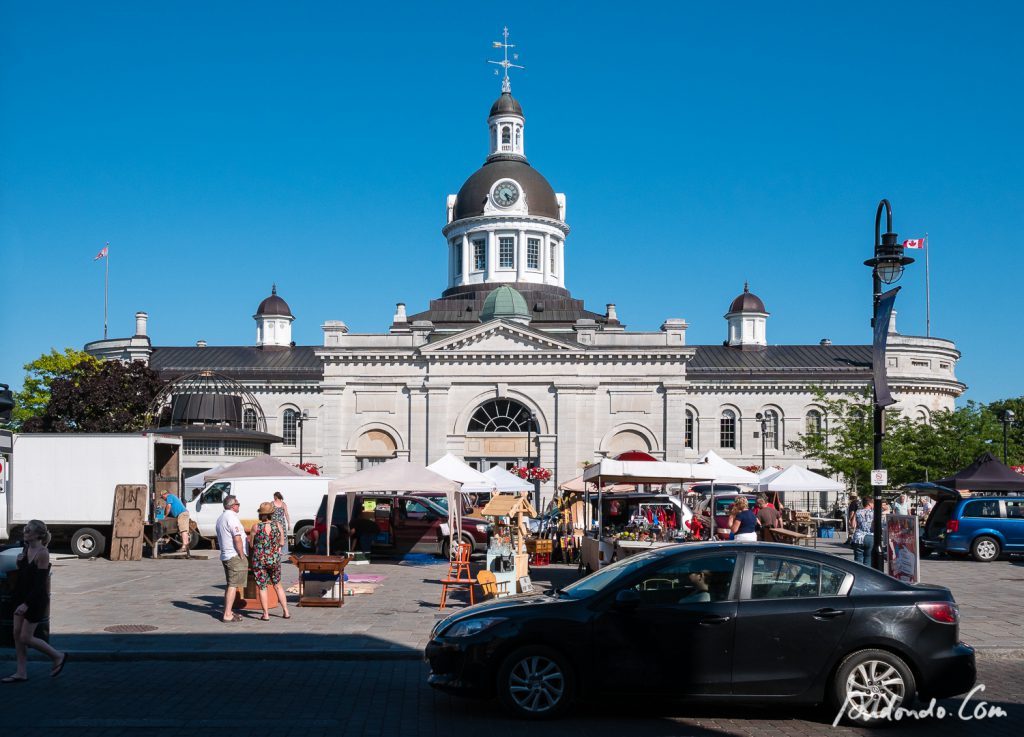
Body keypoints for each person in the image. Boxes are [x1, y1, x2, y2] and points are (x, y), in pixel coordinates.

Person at [3, 520, 67, 683]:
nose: (25, 532)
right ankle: (21, 672)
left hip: (35, 600)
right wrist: (20, 561)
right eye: (25, 529)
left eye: (28, 530)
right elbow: (24, 574)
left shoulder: (42, 553)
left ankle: (57, 656)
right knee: (17, 634)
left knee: (25, 637)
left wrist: (26, 604)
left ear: (38, 534)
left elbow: (40, 583)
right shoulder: (26, 548)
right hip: (21, 597)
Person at [249, 502, 290, 621]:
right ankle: (286, 611)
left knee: (262, 587)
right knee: (278, 585)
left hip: (260, 560)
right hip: (274, 559)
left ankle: (266, 614)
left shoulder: (256, 527)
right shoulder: (278, 525)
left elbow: (251, 544)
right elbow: (282, 543)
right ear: (272, 513)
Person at [215, 495, 248, 622]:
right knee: (233, 585)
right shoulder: (231, 518)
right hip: (233, 555)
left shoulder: (221, 518)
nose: (239, 505)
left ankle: (227, 611)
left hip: (226, 554)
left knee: (230, 584)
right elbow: (237, 538)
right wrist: (241, 554)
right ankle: (227, 614)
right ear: (233, 505)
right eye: (238, 504)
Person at [160, 489, 191, 555]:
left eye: (162, 497)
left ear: (164, 495)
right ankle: (186, 546)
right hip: (182, 514)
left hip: (182, 514)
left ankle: (184, 546)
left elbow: (168, 507)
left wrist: (164, 516)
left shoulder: (169, 497)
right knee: (184, 530)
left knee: (183, 530)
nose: (163, 499)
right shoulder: (172, 497)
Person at [850, 496, 875, 565]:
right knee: (868, 558)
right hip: (870, 536)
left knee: (858, 560)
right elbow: (874, 526)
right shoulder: (874, 513)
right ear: (869, 504)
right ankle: (867, 574)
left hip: (858, 537)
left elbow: (853, 525)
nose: (873, 505)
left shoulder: (857, 512)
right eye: (873, 503)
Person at [271, 492, 291, 556]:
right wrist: (288, 523)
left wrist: (289, 523)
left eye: (274, 496)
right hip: (279, 522)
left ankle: (279, 550)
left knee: (278, 535)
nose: (273, 498)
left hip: (276, 521)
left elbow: (286, 514)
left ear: (276, 496)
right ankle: (279, 550)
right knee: (279, 535)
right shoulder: (282, 504)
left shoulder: (272, 503)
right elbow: (286, 514)